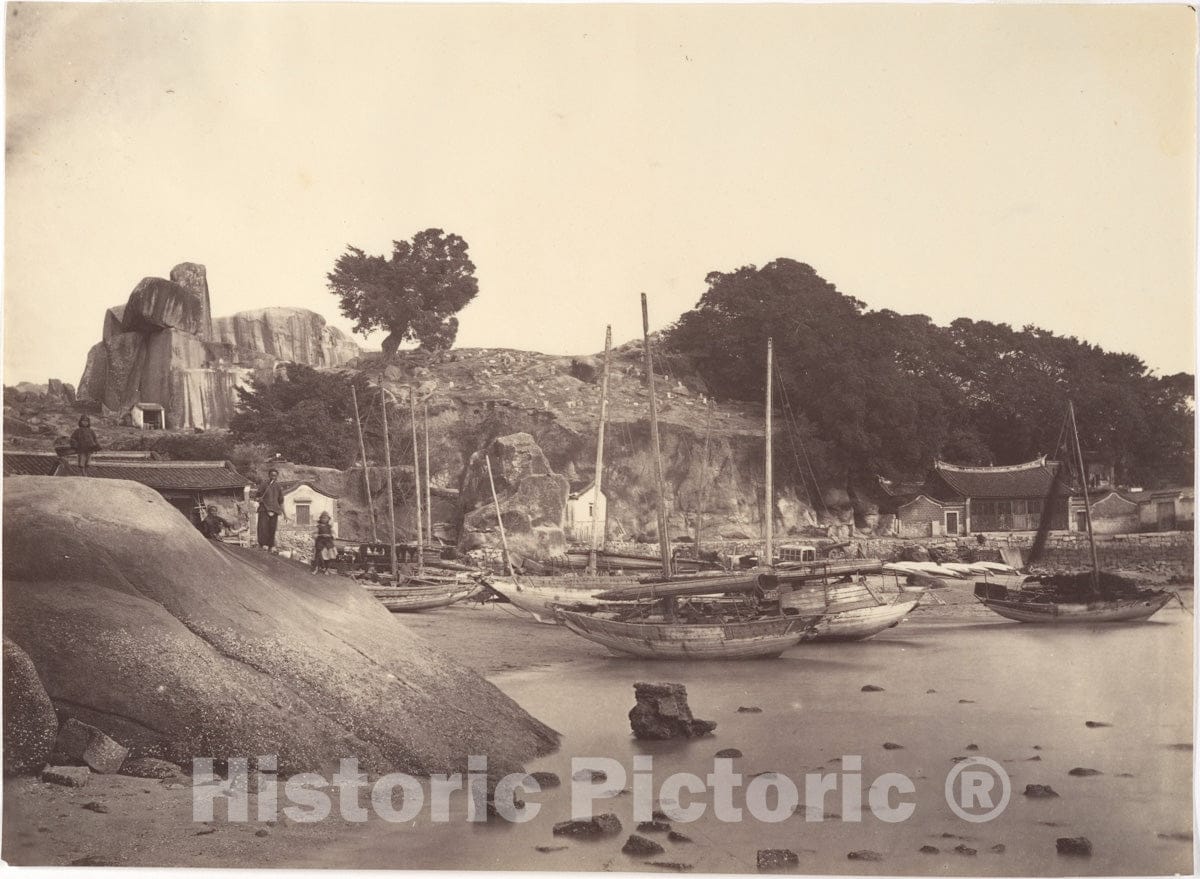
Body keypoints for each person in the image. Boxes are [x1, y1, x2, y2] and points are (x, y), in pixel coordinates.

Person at [255, 469, 285, 552]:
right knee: (263, 528)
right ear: (269, 475)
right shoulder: (264, 485)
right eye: (272, 475)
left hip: (274, 510)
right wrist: (258, 499)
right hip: (264, 509)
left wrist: (285, 514)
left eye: (275, 476)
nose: (273, 477)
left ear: (277, 476)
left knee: (272, 528)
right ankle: (263, 544)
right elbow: (257, 496)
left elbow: (281, 501)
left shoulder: (278, 486)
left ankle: (271, 545)